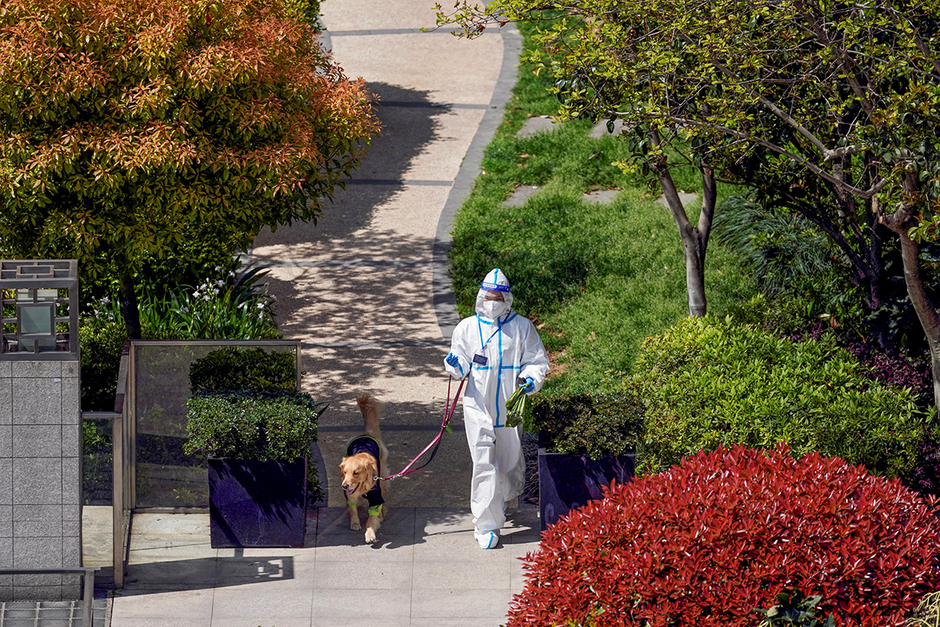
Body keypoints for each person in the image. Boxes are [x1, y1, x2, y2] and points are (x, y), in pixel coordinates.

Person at [444, 268, 550, 549]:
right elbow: (461, 363)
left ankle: (502, 498)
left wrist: (531, 378)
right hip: (478, 405)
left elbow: (537, 360)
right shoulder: (466, 328)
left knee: (508, 459)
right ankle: (486, 525)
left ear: (507, 299)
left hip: (510, 405)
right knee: (484, 463)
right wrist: (455, 365)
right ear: (481, 297)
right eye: (489, 296)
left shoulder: (522, 327)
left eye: (498, 297)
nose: (493, 301)